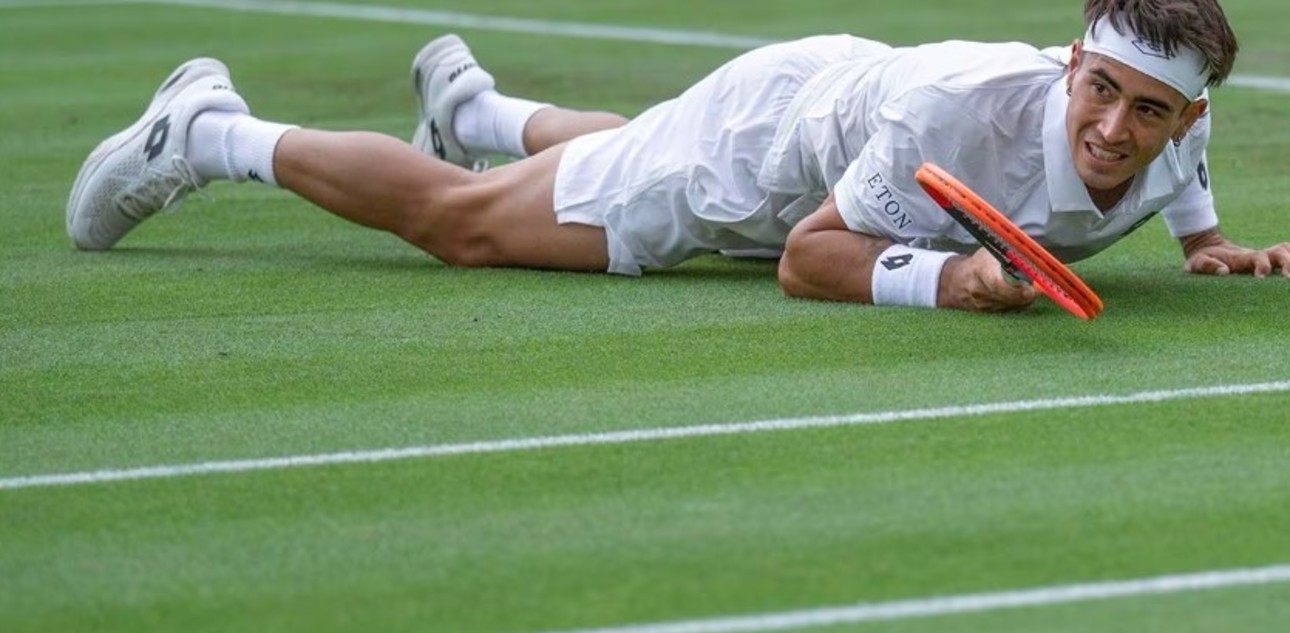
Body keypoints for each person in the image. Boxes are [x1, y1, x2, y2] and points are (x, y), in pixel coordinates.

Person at [66, 0, 1289, 315]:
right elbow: (812, 259)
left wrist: (1206, 243)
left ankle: (485, 113)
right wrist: (946, 280)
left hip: (834, 102)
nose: (1113, 129)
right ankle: (212, 129)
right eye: (1100, 91)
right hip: (765, 151)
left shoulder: (1181, 112)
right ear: (1071, 59)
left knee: (622, 159)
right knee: (470, 228)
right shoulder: (953, 119)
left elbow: (1180, 171)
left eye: (1146, 113)